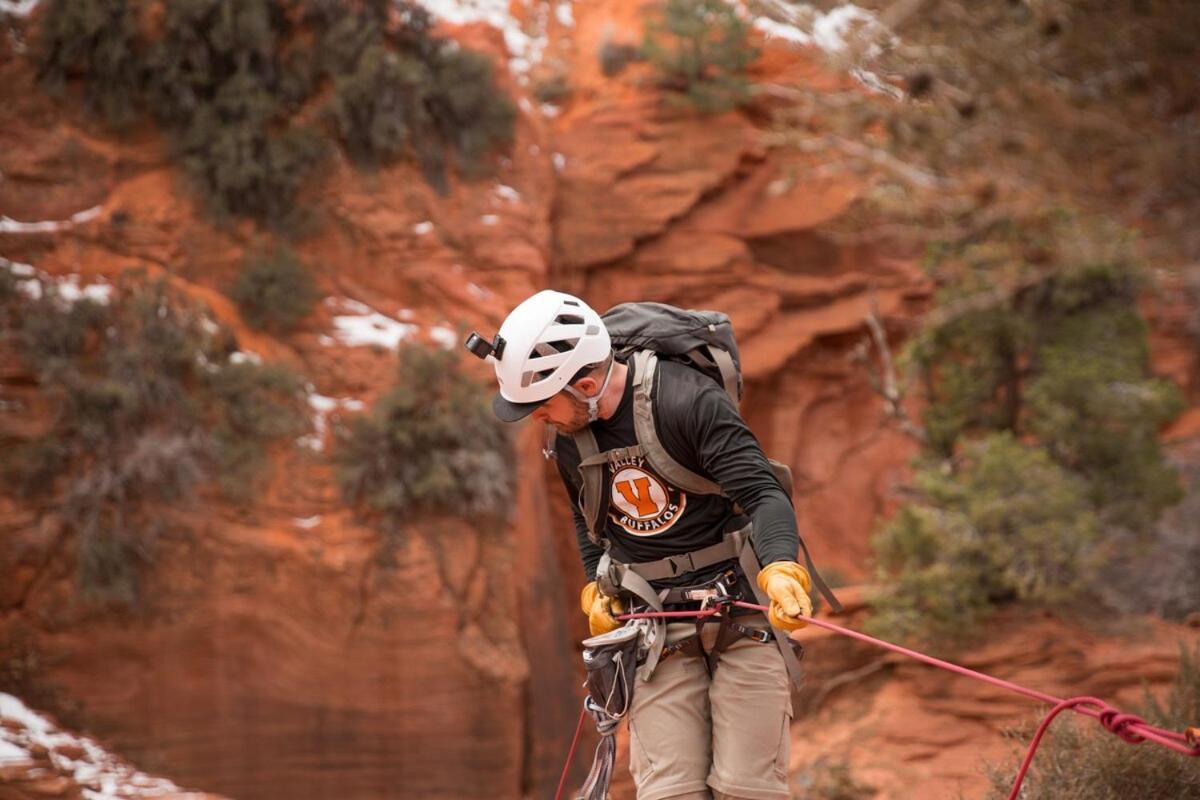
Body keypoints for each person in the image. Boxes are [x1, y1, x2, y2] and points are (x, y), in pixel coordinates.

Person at [474, 289, 814, 800]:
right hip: (654, 627)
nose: (535, 419)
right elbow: (588, 519)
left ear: (586, 384)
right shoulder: (571, 436)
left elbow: (762, 492)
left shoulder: (688, 401)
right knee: (669, 793)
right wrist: (597, 587)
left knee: (748, 789)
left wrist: (783, 568)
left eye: (540, 406)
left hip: (741, 611)